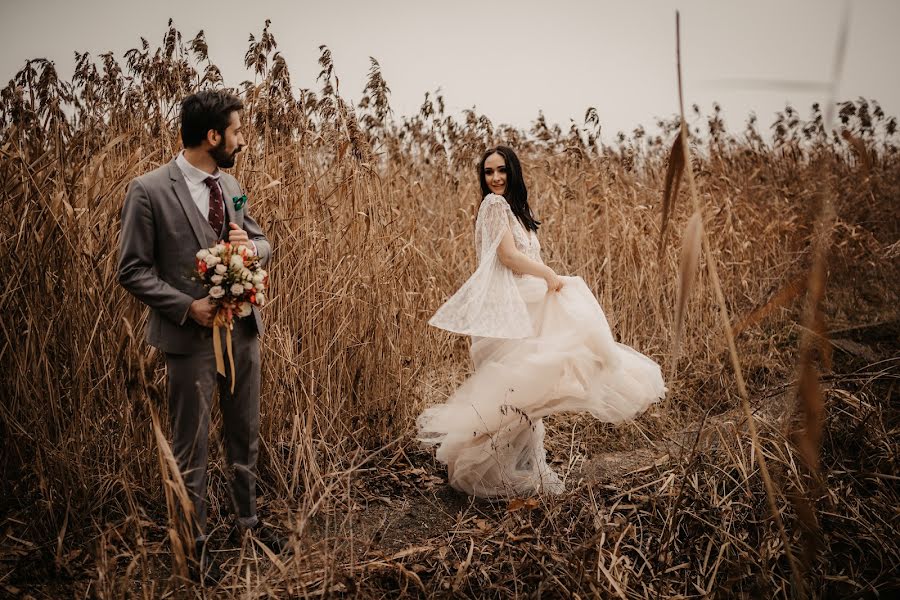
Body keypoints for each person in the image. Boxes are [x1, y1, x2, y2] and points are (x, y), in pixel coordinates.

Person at [418, 145, 666, 498]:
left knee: (528, 393)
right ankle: (485, 470)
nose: (495, 178)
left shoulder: (518, 211)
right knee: (519, 389)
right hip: (514, 310)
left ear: (513, 171)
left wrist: (546, 278)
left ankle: (522, 468)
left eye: (501, 170)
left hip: (528, 305)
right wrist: (548, 273)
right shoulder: (493, 205)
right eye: (488, 172)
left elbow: (519, 253)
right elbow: (507, 256)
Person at [117, 90, 282, 583]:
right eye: (235, 131)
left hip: (243, 332)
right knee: (191, 445)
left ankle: (248, 524)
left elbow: (264, 242)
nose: (240, 140)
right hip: (188, 342)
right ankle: (194, 546)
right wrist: (188, 306)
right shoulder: (146, 190)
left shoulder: (230, 184)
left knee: (244, 433)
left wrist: (248, 247)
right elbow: (131, 269)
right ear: (213, 136)